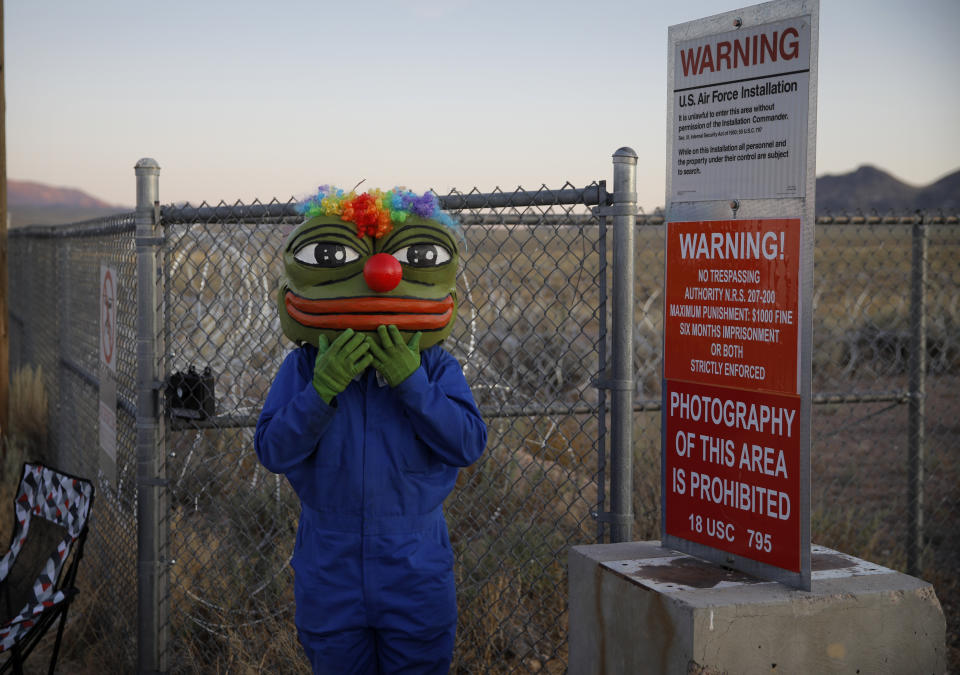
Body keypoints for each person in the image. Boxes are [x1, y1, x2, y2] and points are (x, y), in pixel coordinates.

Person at [255, 186, 487, 674]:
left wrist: (412, 384)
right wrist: (321, 391)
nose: (379, 277)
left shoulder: (435, 365)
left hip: (415, 566)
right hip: (329, 566)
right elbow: (273, 451)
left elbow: (468, 443)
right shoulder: (304, 367)